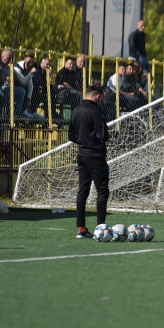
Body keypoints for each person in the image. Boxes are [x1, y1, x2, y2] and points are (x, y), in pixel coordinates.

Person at [68, 85, 109, 239]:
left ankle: (82, 229)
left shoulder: (76, 110)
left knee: (82, 191)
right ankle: (101, 228)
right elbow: (103, 133)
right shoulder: (95, 110)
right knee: (102, 191)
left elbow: (71, 135)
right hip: (96, 156)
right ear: (98, 96)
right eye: (102, 98)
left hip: (82, 155)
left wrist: (83, 140)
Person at [0, 49, 26, 117]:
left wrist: (12, 80)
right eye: (8, 58)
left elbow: (15, 78)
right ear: (3, 57)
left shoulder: (9, 67)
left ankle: (17, 112)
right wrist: (4, 78)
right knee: (5, 90)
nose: (9, 60)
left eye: (10, 58)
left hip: (8, 87)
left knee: (21, 90)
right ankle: (8, 112)